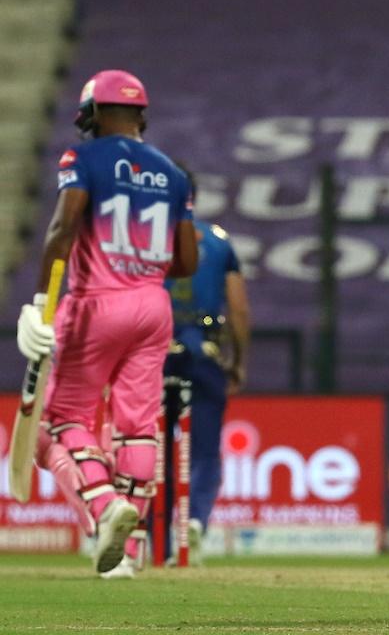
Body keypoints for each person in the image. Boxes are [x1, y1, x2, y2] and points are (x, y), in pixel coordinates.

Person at [14, 69, 197, 576]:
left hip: (96, 302)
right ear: (140, 114)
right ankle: (129, 550)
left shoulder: (84, 157)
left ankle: (101, 508)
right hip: (154, 306)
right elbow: (186, 262)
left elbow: (62, 228)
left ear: (94, 112)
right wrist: (145, 260)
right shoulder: (173, 173)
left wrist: (41, 302)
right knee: (137, 429)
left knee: (58, 423)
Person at [146, 166, 249, 567]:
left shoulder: (143, 239)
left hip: (153, 355)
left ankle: (159, 539)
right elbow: (238, 309)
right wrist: (237, 362)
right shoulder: (220, 242)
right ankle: (195, 523)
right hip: (203, 355)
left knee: (155, 449)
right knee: (204, 452)